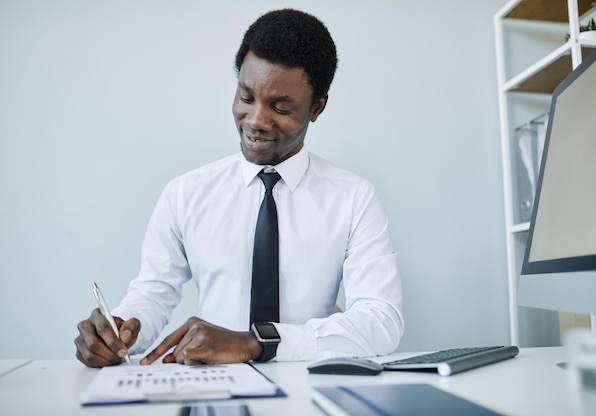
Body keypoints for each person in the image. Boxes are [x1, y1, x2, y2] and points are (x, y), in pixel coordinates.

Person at [75, 8, 403, 368]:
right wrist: (122, 329)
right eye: (247, 98)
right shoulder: (186, 193)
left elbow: (381, 321)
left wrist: (256, 342)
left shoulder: (353, 197)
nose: (257, 121)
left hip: (307, 384)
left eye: (280, 107)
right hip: (209, 385)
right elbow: (153, 293)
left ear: (317, 107)